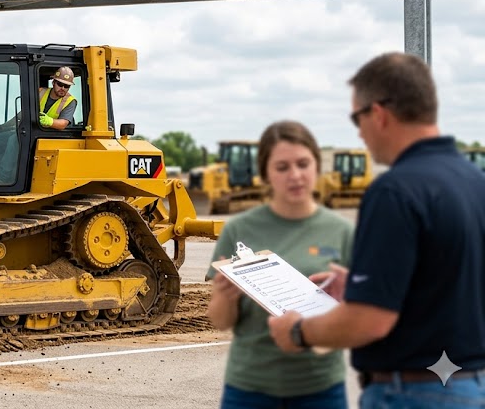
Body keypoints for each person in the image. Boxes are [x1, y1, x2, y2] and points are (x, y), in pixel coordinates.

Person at [267, 52, 485, 407]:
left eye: (357, 117)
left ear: (379, 114)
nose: (359, 132)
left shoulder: (394, 191)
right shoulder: (473, 181)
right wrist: (362, 284)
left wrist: (296, 331)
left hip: (413, 393)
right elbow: (447, 282)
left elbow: (369, 321)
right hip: (470, 385)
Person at [206, 120, 354, 408]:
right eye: (282, 167)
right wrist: (226, 296)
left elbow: (364, 317)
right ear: (265, 173)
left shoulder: (342, 231)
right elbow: (219, 321)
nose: (295, 175)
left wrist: (348, 295)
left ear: (316, 166)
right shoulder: (238, 230)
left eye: (303, 163)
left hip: (320, 388)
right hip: (249, 388)